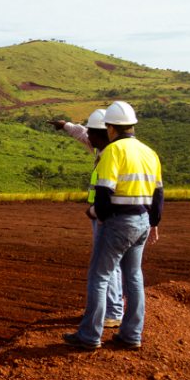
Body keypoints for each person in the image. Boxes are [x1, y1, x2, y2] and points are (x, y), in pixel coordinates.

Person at [63, 101, 164, 350]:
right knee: (134, 277)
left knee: (99, 277)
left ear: (110, 127)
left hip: (118, 222)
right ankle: (131, 335)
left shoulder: (112, 151)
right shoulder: (149, 152)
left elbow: (104, 192)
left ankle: (89, 336)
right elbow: (159, 194)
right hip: (142, 222)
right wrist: (154, 223)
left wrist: (94, 212)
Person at [47, 110, 124, 328]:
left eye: (91, 132)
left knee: (105, 266)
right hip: (110, 215)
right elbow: (82, 133)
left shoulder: (111, 154)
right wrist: (65, 125)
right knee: (116, 266)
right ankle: (114, 310)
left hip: (105, 215)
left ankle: (111, 314)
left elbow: (108, 190)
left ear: (104, 132)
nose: (87, 136)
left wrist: (95, 212)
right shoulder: (104, 146)